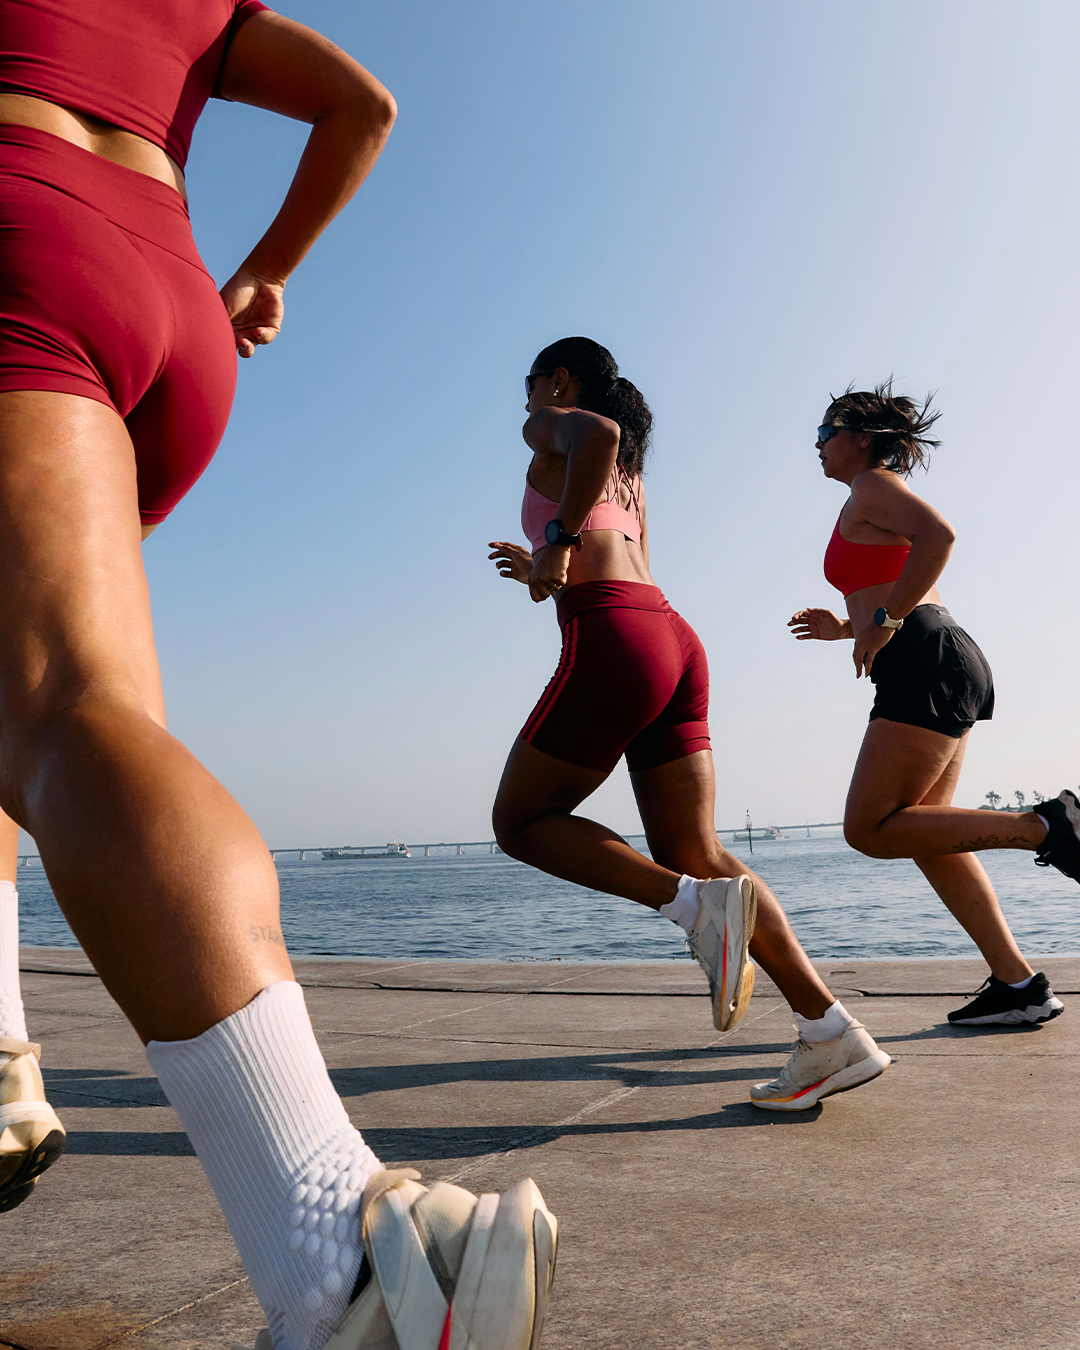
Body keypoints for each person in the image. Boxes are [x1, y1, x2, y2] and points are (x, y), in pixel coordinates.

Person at [0, 7, 557, 1350]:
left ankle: (353, 1246)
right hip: (164, 281)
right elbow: (362, 106)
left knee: (71, 708)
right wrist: (260, 273)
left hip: (19, 239)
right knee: (30, 706)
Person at [488, 336, 892, 1113]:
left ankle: (687, 908)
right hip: (669, 638)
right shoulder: (629, 479)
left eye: (534, 384)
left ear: (560, 380)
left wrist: (557, 544)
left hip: (616, 638)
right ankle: (829, 1029)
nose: (528, 400)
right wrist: (546, 559)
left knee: (523, 822)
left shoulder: (563, 425)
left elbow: (593, 448)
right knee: (696, 851)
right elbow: (608, 561)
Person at [790, 382, 1080, 1027]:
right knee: (931, 834)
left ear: (860, 437)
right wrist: (848, 627)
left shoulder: (872, 484)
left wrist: (884, 620)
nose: (816, 446)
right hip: (932, 654)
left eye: (823, 433)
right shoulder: (863, 497)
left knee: (870, 829)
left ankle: (1050, 826)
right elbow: (892, 577)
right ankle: (1018, 985)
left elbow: (940, 536)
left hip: (923, 653)